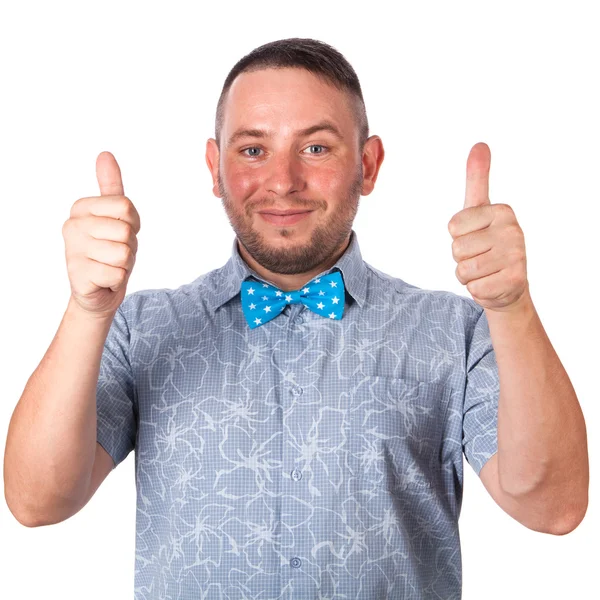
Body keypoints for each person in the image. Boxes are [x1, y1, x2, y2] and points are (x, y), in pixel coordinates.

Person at [5, 38, 588, 600]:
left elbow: (554, 506)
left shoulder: (455, 332)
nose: (282, 180)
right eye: (253, 149)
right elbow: (37, 501)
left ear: (368, 163)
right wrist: (87, 311)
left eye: (315, 147)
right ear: (215, 167)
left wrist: (512, 308)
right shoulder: (139, 328)